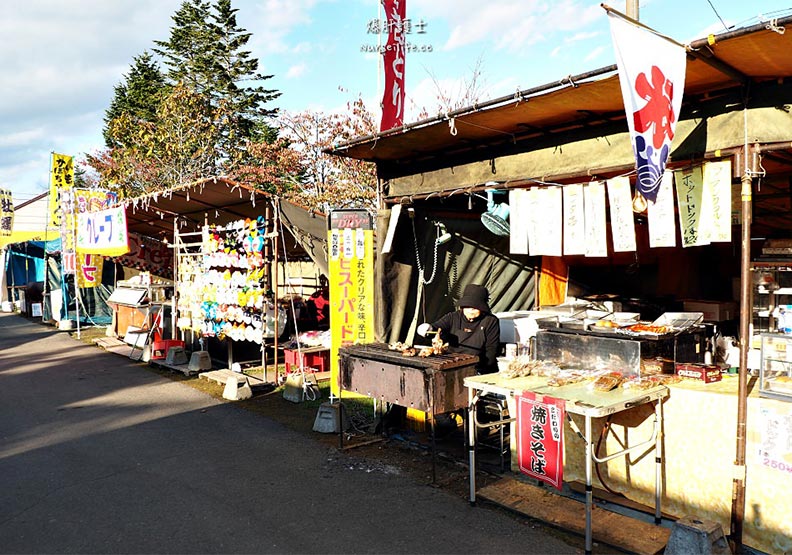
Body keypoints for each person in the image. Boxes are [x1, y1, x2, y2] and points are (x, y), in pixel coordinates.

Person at [417, 283, 500, 374]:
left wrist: (480, 371)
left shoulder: (490, 321)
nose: (471, 310)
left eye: (475, 308)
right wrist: (428, 328)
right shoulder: (453, 317)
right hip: (453, 364)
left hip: (478, 367)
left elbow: (491, 351)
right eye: (468, 306)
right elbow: (436, 328)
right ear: (462, 306)